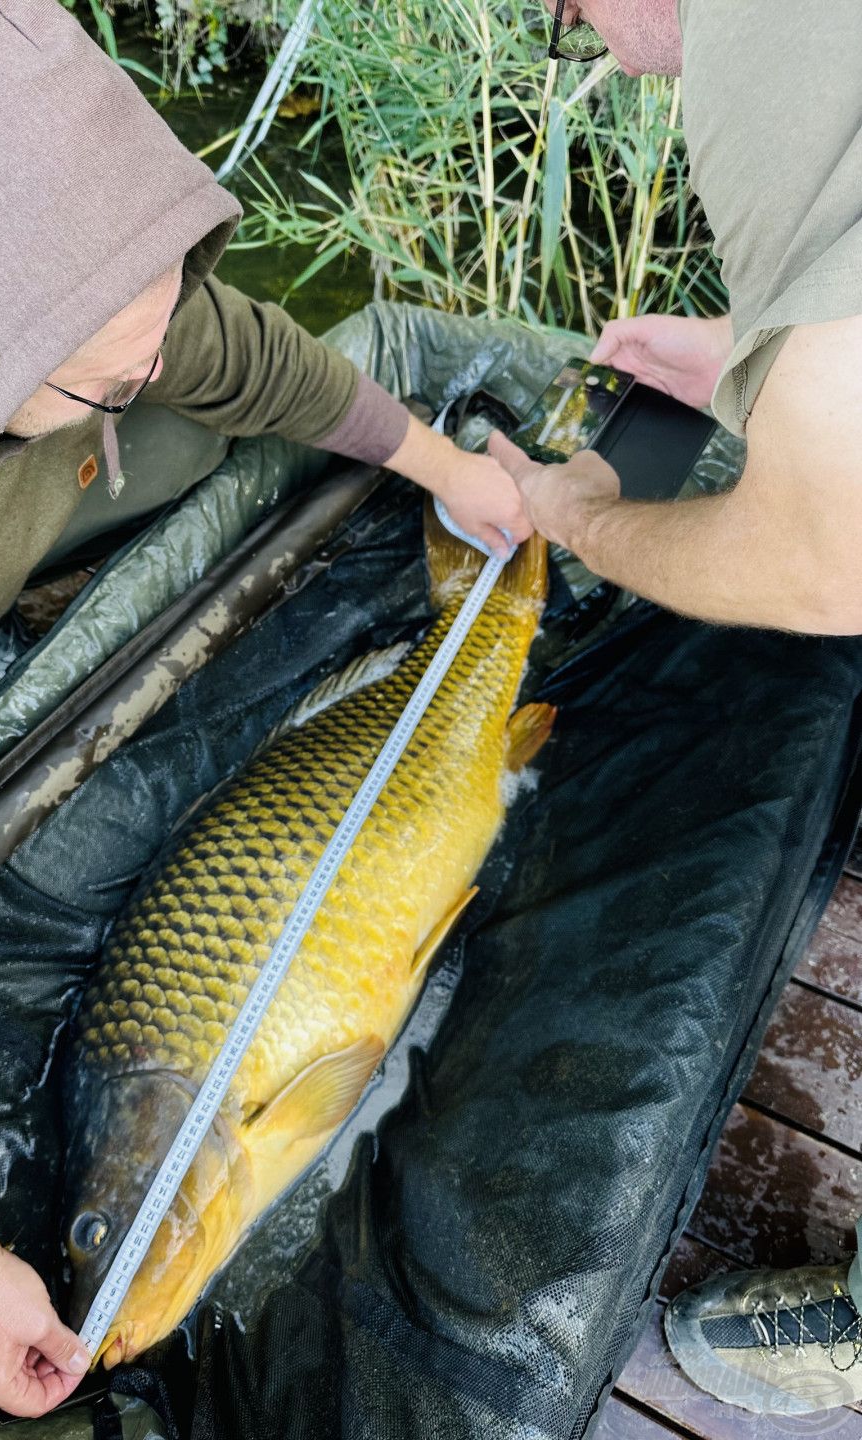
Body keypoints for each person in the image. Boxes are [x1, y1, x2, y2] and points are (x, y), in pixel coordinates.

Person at [0, 0, 531, 1421]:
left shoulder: (54, 280)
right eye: (108, 364)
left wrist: (443, 464)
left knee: (187, 398)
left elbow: (237, 354)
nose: (150, 358)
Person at [486, 0, 862, 1418]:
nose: (571, 28)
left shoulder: (763, 50)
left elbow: (824, 556)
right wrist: (755, 356)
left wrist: (589, 521)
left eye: (558, 6)